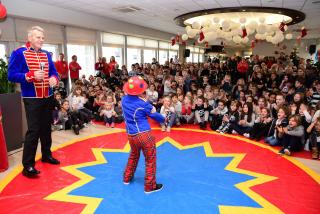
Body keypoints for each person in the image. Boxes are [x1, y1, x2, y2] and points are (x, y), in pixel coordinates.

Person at [8, 26, 60, 178]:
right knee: (34, 130)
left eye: (43, 38)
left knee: (46, 128)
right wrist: (30, 75)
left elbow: (54, 72)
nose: (41, 40)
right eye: (38, 37)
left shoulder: (46, 54)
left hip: (48, 96)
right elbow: (11, 75)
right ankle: (28, 165)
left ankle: (46, 155)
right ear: (30, 38)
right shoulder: (19, 53)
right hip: (32, 98)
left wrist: (54, 79)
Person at [122, 76, 165, 194]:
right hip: (144, 134)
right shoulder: (143, 103)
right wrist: (163, 118)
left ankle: (127, 178)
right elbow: (156, 116)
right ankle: (150, 186)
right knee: (150, 159)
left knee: (133, 155)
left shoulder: (124, 100)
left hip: (131, 135)